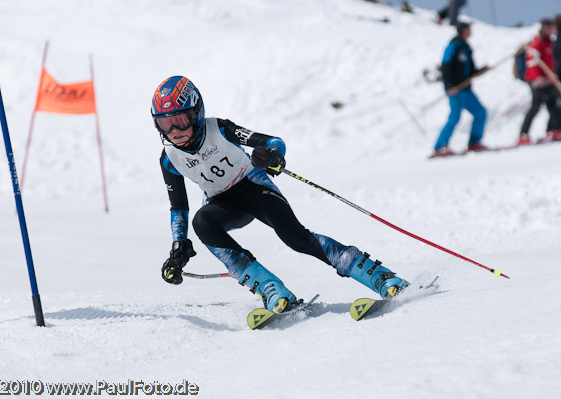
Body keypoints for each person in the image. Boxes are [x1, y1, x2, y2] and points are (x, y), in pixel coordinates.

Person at [153, 76, 409, 313]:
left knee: (296, 238)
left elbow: (272, 141)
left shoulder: (219, 129)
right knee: (202, 223)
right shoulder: (170, 158)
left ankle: (380, 276)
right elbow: (179, 208)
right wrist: (179, 245)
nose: (174, 130)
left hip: (253, 187)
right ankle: (270, 289)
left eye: (181, 120)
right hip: (222, 205)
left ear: (197, 113)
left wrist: (272, 156)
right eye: (165, 123)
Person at [432, 22, 489, 157]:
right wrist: (450, 86)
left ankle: (474, 143)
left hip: (466, 89)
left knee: (480, 112)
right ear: (463, 30)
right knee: (455, 117)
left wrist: (483, 70)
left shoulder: (467, 48)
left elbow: (471, 71)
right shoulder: (454, 46)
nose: (471, 31)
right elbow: (445, 67)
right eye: (469, 28)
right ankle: (440, 147)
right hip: (455, 90)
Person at [518, 18, 561, 145]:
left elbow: (551, 62)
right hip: (537, 81)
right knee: (535, 107)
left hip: (548, 80)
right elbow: (532, 61)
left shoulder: (550, 43)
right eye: (551, 27)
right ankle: (523, 135)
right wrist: (537, 77)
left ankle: (554, 130)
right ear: (546, 28)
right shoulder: (538, 42)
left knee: (553, 105)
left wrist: (553, 74)